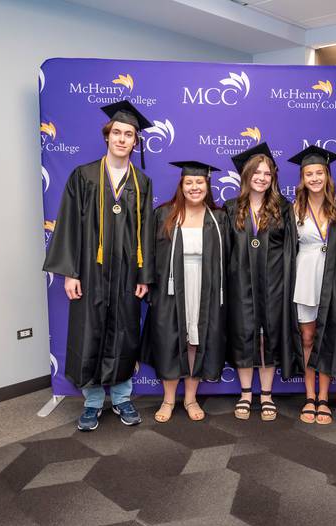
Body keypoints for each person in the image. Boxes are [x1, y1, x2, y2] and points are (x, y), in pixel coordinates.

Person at [43, 100, 155, 432]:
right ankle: (92, 402)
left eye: (129, 134)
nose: (122, 139)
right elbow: (67, 227)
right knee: (88, 332)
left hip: (126, 274)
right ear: (107, 136)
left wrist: (145, 275)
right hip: (90, 271)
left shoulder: (142, 182)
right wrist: (69, 272)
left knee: (123, 333)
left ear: (136, 142)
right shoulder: (84, 176)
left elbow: (147, 230)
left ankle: (121, 397)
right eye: (117, 132)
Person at [141, 161, 229, 422]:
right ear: (181, 185)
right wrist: (150, 286)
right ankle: (168, 400)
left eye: (199, 182)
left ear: (207, 185)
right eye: (189, 182)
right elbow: (148, 253)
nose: (194, 187)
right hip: (171, 288)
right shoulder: (164, 214)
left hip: (205, 288)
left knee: (196, 341)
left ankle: (190, 399)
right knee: (170, 340)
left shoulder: (219, 217)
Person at [225, 143, 294, 422]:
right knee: (243, 333)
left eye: (267, 173)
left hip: (274, 283)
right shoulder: (232, 208)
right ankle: (245, 393)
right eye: (257, 172)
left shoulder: (283, 209)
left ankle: (266, 394)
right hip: (239, 281)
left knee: (270, 336)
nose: (262, 178)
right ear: (246, 175)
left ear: (273, 177)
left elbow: (290, 249)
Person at [287, 146, 336, 425]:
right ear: (302, 178)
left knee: (327, 339)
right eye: (308, 173)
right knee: (308, 339)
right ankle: (309, 396)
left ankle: (324, 397)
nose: (314, 178)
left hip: (333, 280)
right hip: (305, 278)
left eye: (319, 173)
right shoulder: (294, 209)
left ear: (327, 176)